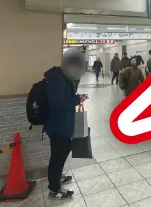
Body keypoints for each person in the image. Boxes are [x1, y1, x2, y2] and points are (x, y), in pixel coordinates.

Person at [44, 49, 88, 200]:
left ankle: (58, 178)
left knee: (61, 153)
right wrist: (77, 100)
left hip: (63, 123)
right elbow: (57, 102)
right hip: (58, 125)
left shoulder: (63, 77)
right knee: (58, 156)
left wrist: (77, 97)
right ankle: (54, 189)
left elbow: (64, 97)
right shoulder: (58, 79)